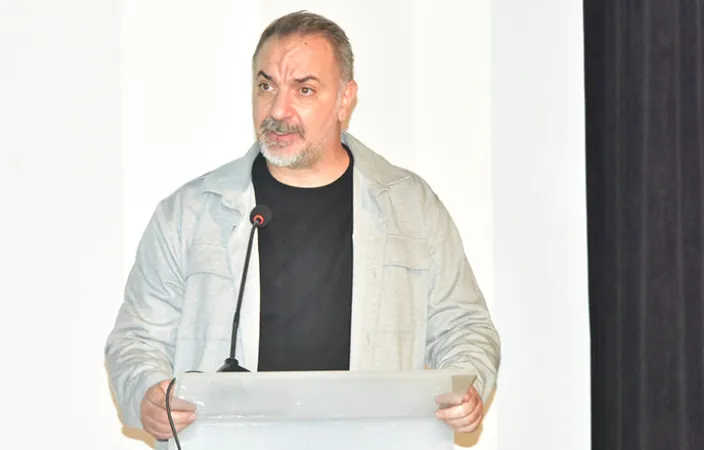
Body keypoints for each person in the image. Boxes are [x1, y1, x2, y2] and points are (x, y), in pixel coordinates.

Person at [105, 10, 500, 446]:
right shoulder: (189, 212)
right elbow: (136, 339)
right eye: (266, 86)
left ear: (345, 100)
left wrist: (468, 388)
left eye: (304, 89)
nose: (278, 110)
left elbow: (465, 326)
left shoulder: (411, 207)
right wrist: (147, 393)